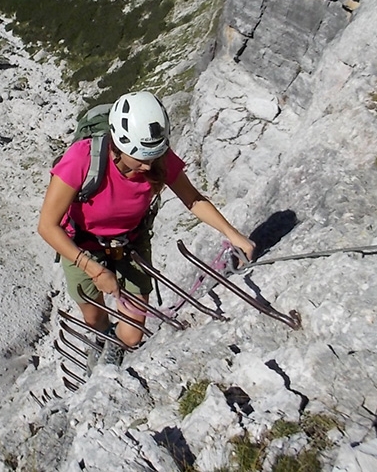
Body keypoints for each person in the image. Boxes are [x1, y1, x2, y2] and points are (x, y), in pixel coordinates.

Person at [37, 90, 255, 366]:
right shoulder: (82, 158)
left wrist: (234, 235)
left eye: (153, 156)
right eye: (140, 158)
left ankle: (116, 343)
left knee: (131, 336)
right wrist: (93, 268)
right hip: (81, 245)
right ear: (118, 144)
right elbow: (47, 225)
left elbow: (194, 199)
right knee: (93, 316)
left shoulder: (158, 158)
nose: (148, 165)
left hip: (130, 243)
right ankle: (103, 336)